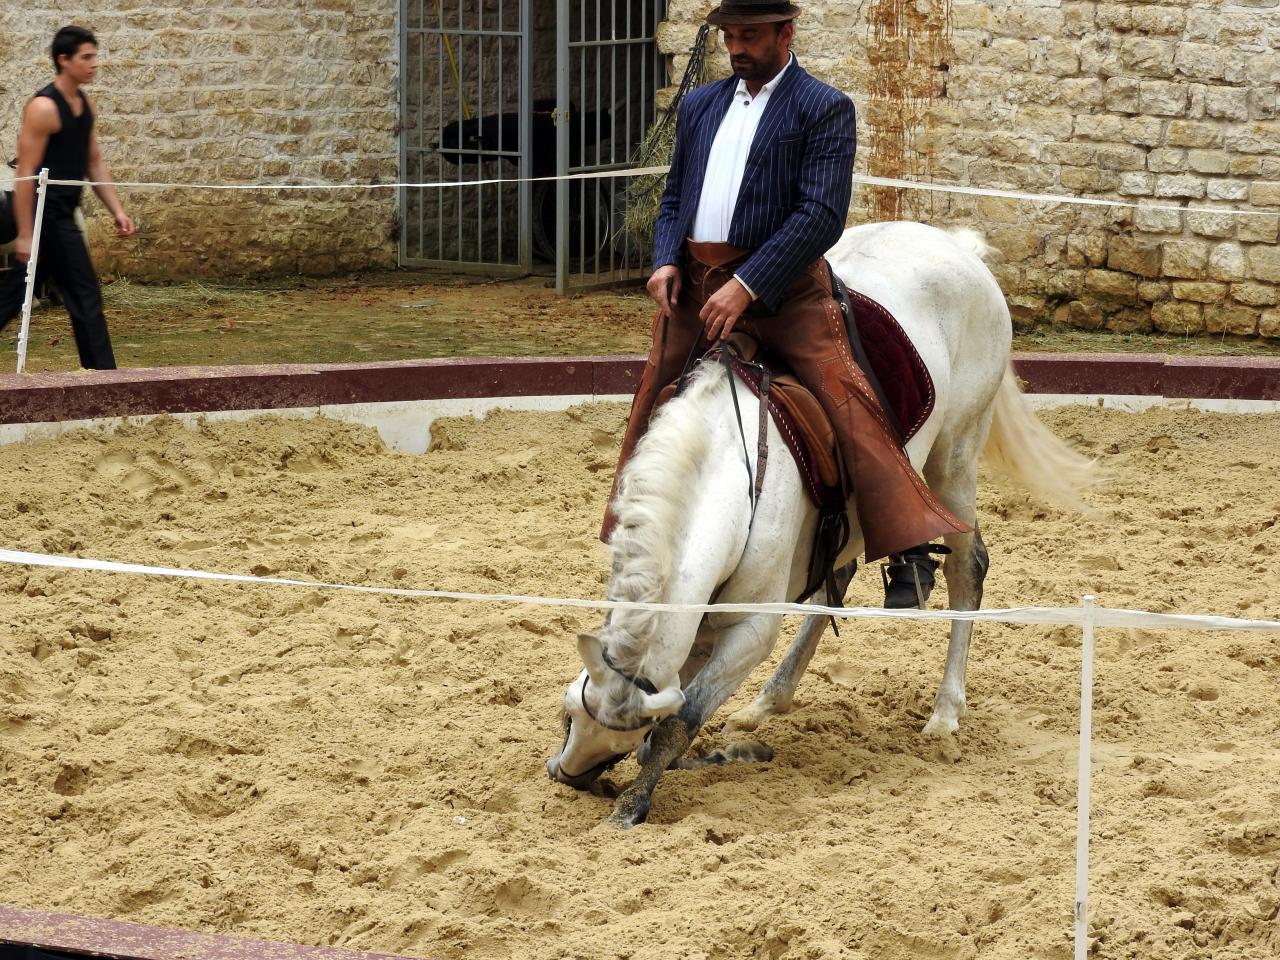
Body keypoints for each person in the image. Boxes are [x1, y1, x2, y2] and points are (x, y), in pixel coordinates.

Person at [601, 0, 969, 607]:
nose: (737, 48)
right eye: (731, 36)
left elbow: (820, 214)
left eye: (750, 36)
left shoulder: (823, 106)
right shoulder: (698, 105)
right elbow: (674, 198)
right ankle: (637, 534)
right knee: (652, 397)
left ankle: (902, 539)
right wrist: (665, 259)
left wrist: (748, 284)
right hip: (695, 286)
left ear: (785, 32)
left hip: (787, 290)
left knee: (846, 394)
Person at [0, 25, 134, 370]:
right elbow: (26, 173)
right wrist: (27, 234)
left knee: (14, 295)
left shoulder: (83, 103)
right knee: (85, 295)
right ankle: (105, 379)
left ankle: (102, 377)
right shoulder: (43, 107)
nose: (94, 64)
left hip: (63, 215)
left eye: (94, 56)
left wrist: (117, 210)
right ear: (64, 60)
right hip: (46, 218)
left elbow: (94, 162)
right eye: (86, 57)